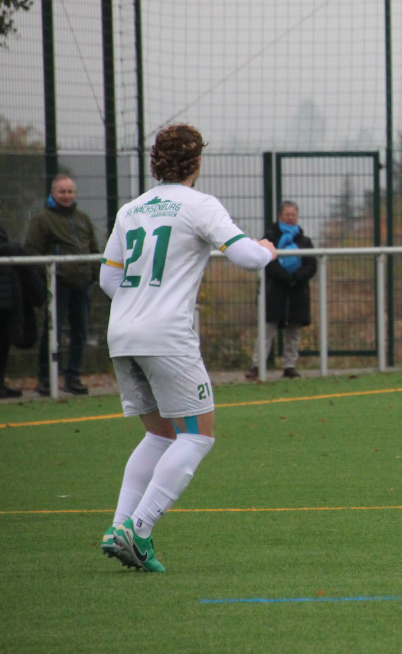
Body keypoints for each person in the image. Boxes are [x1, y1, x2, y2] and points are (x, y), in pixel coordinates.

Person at [99, 124, 276, 572]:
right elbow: (249, 259)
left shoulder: (131, 209)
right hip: (166, 335)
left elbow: (108, 280)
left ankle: (118, 525)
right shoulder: (199, 205)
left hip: (122, 333)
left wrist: (141, 303)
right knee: (196, 434)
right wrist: (268, 249)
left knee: (160, 434)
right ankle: (137, 531)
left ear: (156, 162)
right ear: (197, 162)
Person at [25, 173, 100, 396]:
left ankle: (73, 377)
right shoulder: (42, 220)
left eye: (70, 192)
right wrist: (49, 276)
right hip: (57, 285)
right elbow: (32, 250)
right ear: (53, 193)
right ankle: (46, 379)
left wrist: (93, 274)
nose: (66, 196)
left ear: (75, 194)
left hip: (82, 284)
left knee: (80, 332)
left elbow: (93, 249)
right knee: (52, 333)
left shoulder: (83, 219)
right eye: (62, 192)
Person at [245, 200, 316, 380]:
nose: (291, 218)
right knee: (267, 330)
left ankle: (290, 366)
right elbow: (267, 261)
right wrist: (285, 277)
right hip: (274, 293)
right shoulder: (270, 238)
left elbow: (311, 264)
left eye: (293, 215)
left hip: (298, 293)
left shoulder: (304, 240)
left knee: (294, 332)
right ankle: (257, 366)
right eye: (287, 215)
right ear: (280, 216)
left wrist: (296, 277)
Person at [0, 224, 45, 399]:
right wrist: (13, 249)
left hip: (7, 297)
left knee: (4, 341)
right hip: (6, 295)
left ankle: (1, 384)